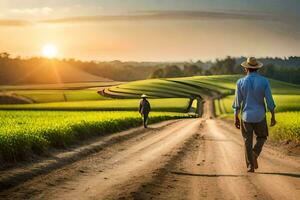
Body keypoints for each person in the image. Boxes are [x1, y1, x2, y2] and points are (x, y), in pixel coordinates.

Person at [232, 57, 276, 173]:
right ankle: (255, 153)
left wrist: (235, 117)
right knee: (262, 137)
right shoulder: (264, 81)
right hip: (260, 115)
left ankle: (250, 166)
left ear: (246, 68)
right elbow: (270, 101)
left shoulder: (240, 82)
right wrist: (273, 116)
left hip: (246, 116)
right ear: (257, 68)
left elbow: (237, 102)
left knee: (247, 140)